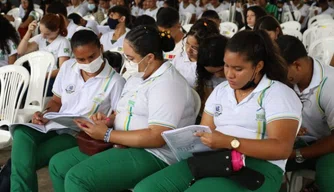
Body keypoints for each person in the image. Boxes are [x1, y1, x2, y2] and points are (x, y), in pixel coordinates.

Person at [134, 29, 302, 192]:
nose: (229, 74)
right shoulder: (221, 91)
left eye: (238, 69)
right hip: (215, 158)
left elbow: (281, 148)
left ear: (258, 66)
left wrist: (230, 142)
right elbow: (206, 131)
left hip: (258, 165)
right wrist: (191, 141)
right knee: (146, 188)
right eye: (226, 66)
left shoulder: (278, 93)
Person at [48, 25, 197, 192]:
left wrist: (107, 134)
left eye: (130, 58)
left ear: (148, 58)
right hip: (121, 141)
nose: (126, 62)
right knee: (58, 165)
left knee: (78, 179)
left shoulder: (167, 84)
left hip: (154, 153)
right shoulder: (136, 78)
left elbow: (157, 136)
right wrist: (108, 120)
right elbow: (124, 112)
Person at [11, 29, 125, 192]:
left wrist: (104, 121)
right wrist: (44, 114)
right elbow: (56, 100)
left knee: (23, 160)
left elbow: (117, 117)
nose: (87, 62)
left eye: (92, 56)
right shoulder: (68, 67)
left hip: (79, 134)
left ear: (101, 48)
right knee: (22, 131)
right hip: (54, 123)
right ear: (73, 55)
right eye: (81, 59)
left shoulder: (115, 81)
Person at [277, 35, 334, 192]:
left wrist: (296, 153)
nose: (276, 77)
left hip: (327, 146)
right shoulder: (289, 81)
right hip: (295, 142)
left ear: (297, 66)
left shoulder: (330, 85)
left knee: (329, 177)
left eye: (280, 71)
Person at [17, 13, 71, 79]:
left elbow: (62, 69)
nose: (43, 35)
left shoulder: (63, 42)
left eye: (47, 34)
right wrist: (29, 32)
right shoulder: (40, 38)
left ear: (57, 30)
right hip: (38, 76)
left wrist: (42, 77)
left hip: (52, 78)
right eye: (41, 31)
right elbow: (20, 52)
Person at [172, 18, 220, 88]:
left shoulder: (211, 67)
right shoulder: (180, 57)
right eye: (187, 43)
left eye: (195, 48)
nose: (188, 50)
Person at [196, 35, 227, 113]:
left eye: (220, 70)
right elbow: (208, 102)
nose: (217, 75)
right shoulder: (207, 77)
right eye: (212, 72)